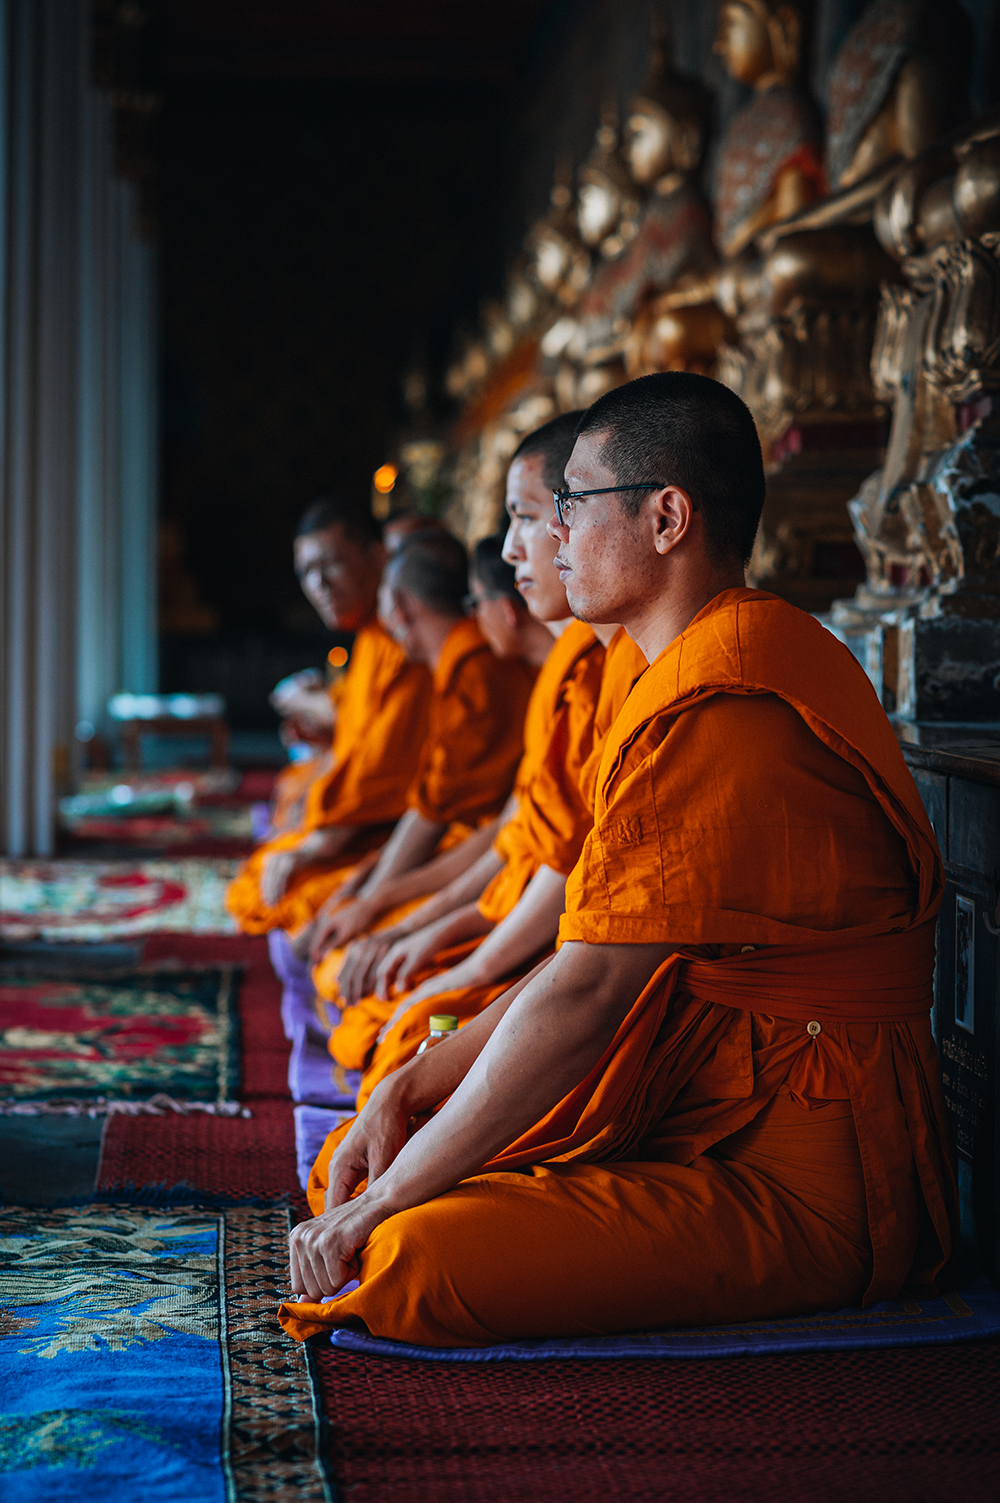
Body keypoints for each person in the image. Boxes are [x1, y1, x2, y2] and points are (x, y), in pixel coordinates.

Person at [281, 371, 956, 1350]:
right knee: (367, 1143)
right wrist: (412, 1087)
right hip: (697, 1098)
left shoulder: (727, 700)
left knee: (404, 1257)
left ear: (666, 517)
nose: (551, 537)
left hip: (807, 1175)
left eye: (569, 506)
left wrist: (387, 1197)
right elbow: (588, 950)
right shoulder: (667, 672)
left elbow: (591, 990)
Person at [322, 415, 646, 1100]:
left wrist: (456, 967)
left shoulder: (617, 673)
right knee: (376, 1010)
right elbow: (519, 835)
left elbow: (579, 888)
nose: (517, 548)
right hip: (522, 931)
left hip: (566, 965)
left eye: (531, 516)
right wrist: (408, 922)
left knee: (397, 1040)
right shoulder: (570, 670)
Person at [299, 530, 537, 961]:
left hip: (485, 862)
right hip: (471, 853)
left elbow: (435, 810)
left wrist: (371, 904)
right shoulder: (461, 662)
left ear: (402, 606)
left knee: (340, 958)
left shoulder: (475, 670)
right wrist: (367, 892)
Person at [225, 497, 433, 936]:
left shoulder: (405, 642)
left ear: (376, 556)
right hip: (363, 822)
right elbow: (364, 741)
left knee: (289, 898)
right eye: (305, 573)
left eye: (331, 565)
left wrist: (316, 844)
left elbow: (382, 769)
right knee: (262, 879)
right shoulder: (371, 639)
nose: (318, 584)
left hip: (394, 831)